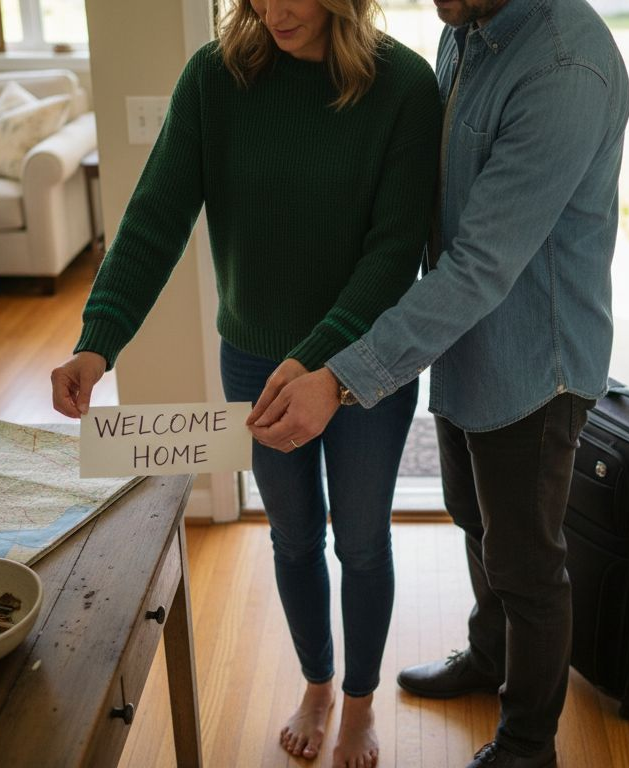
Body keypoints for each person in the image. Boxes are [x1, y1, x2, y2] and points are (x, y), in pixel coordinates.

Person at [48, 0, 441, 763]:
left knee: (361, 542)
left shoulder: (405, 87)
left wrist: (319, 356)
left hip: (363, 367)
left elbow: (396, 253)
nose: (276, 8)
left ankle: (359, 703)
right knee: (291, 538)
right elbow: (156, 214)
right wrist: (100, 343)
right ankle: (318, 683)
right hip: (256, 364)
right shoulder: (214, 80)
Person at [245, 0, 629, 763]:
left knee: (528, 567)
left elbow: (480, 264)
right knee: (474, 519)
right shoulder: (466, 30)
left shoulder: (564, 68)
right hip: (461, 350)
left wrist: (343, 377)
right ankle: (489, 657)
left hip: (535, 369)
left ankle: (527, 744)